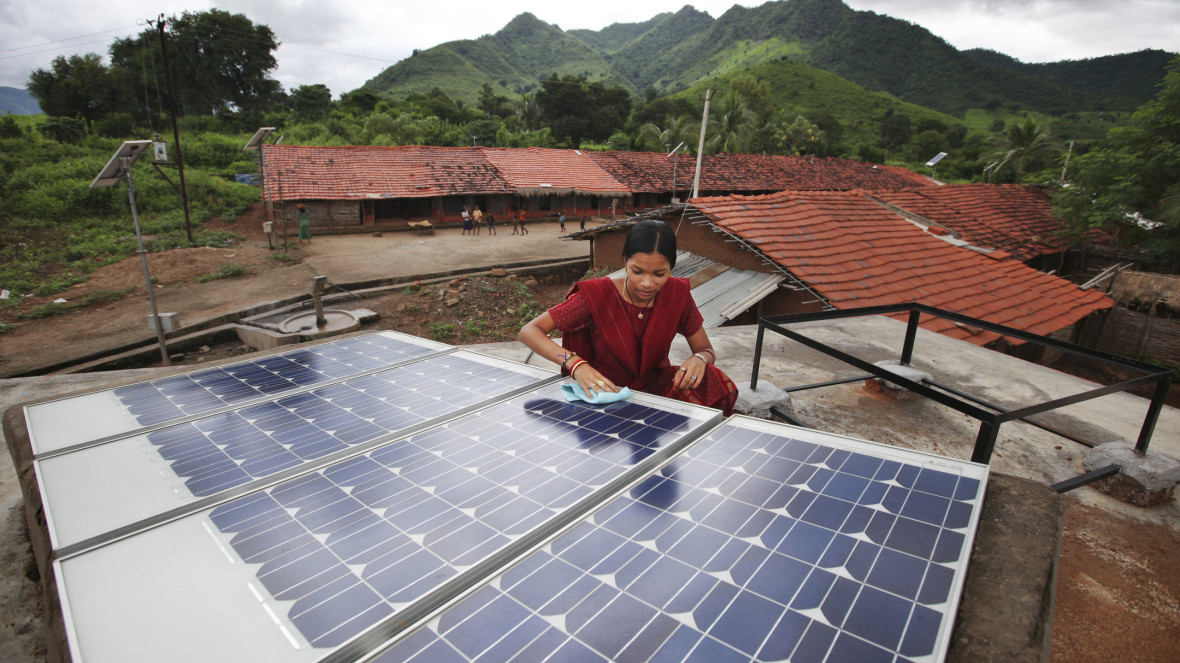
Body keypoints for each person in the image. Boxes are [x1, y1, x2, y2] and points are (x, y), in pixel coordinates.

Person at [519, 219, 737, 415]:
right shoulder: (596, 296)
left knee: (712, 377)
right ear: (625, 261)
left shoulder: (677, 295)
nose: (647, 283)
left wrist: (699, 359)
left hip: (656, 387)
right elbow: (530, 331)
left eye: (659, 274)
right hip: (605, 389)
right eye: (637, 271)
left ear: (671, 267)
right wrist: (576, 365)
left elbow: (705, 350)